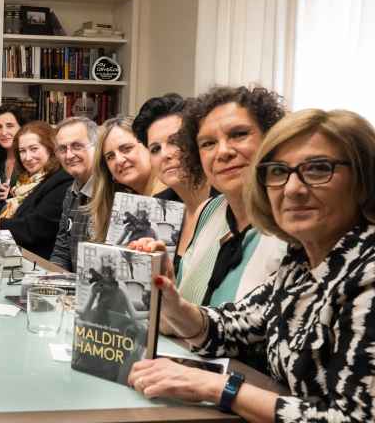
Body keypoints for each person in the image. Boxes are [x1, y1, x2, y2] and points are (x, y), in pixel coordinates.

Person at [128, 108, 375, 422]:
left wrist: (222, 389)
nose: (293, 189)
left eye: (318, 169)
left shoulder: (367, 272)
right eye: (278, 172)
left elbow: (356, 419)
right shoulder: (300, 264)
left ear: (364, 179)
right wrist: (171, 299)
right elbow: (228, 329)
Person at [163, 86, 287, 307]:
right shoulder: (208, 211)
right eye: (208, 144)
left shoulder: (291, 223)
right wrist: (164, 290)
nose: (223, 152)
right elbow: (181, 314)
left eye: (239, 134)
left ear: (270, 137)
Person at [132, 93, 212, 272]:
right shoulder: (158, 207)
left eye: (175, 141)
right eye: (155, 149)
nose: (165, 154)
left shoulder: (226, 204)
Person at [0, 121, 73, 258]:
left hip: (39, 262)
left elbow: (34, 229)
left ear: (50, 148)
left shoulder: (62, 180)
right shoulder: (23, 181)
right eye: (22, 151)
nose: (27, 157)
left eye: (34, 149)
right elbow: (2, 208)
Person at [87, 116, 161, 244]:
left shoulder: (176, 197)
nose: (119, 160)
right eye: (110, 157)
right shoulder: (119, 206)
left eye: (126, 149)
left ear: (149, 146)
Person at [49, 116, 98, 271]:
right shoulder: (71, 192)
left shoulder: (111, 194)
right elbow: (62, 250)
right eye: (63, 149)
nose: (69, 155)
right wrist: (50, 281)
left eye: (77, 146)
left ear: (96, 146)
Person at [0, 105, 24, 213]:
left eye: (10, 126)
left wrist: (13, 195)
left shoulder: (31, 160)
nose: (3, 132)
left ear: (22, 128)